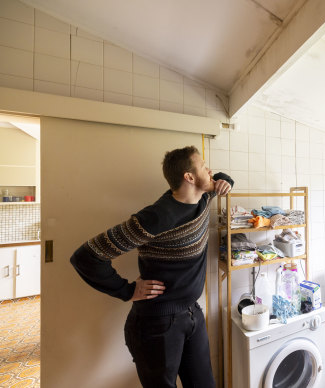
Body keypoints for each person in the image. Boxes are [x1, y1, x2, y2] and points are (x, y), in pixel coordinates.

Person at [70, 145, 233, 388]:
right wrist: (126, 290)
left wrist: (226, 180)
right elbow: (86, 256)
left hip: (192, 314)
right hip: (157, 324)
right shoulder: (156, 217)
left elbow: (220, 179)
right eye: (203, 167)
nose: (210, 171)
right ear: (189, 177)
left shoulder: (203, 197)